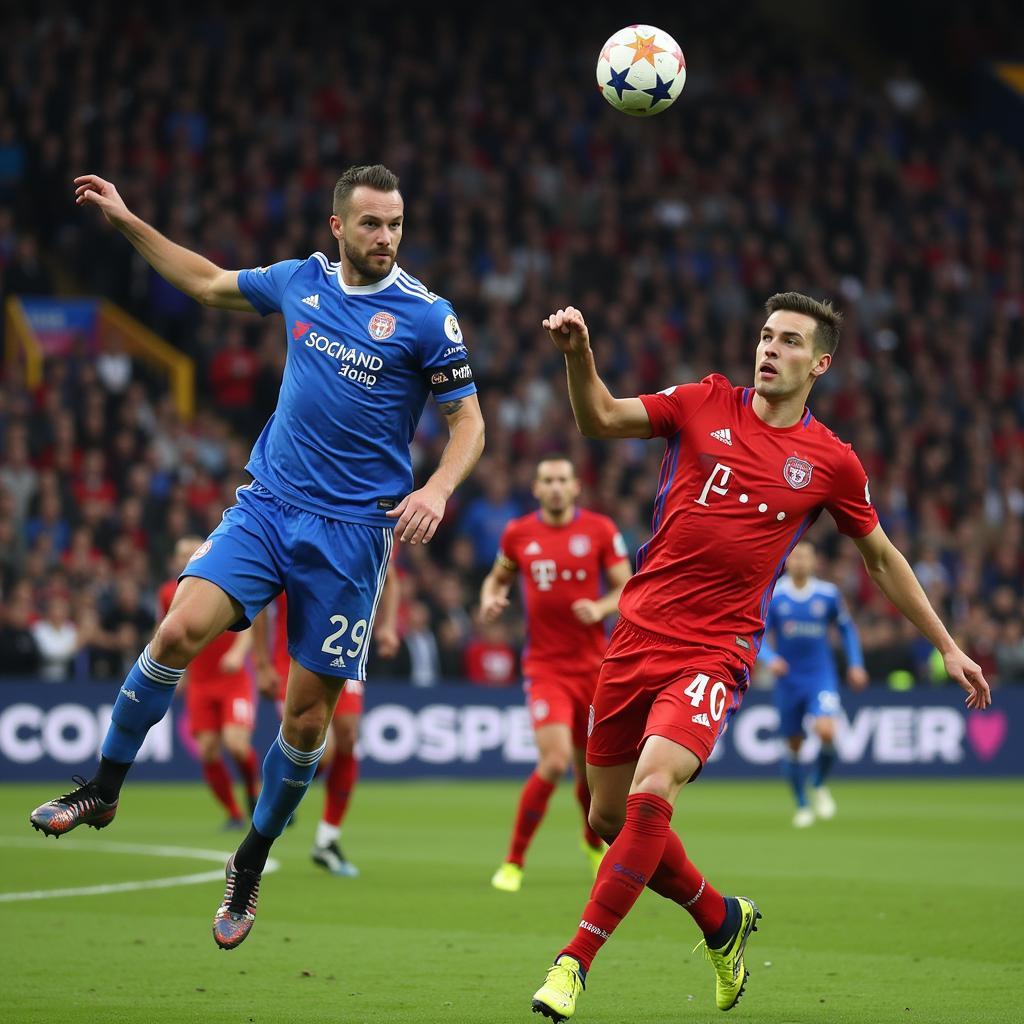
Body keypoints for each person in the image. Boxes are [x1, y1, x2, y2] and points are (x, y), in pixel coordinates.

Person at [29, 164, 485, 953]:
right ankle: (103, 789)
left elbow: (469, 423)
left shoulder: (427, 318)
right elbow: (205, 281)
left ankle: (250, 860)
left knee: (306, 718)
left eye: (396, 224)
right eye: (372, 224)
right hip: (269, 506)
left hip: (352, 537)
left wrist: (439, 489)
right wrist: (129, 221)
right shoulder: (297, 282)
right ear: (337, 227)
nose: (386, 238)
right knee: (177, 629)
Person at [529, 294, 990, 1020]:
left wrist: (947, 643)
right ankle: (721, 919)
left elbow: (880, 558)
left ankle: (572, 963)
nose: (770, 350)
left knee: (654, 793)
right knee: (610, 818)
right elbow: (602, 418)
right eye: (766, 336)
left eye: (789, 342)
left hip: (716, 650)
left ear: (821, 362)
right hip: (635, 637)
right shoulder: (703, 400)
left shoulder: (831, 461)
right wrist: (577, 356)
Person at [481, 456, 631, 892]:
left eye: (563, 479)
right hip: (545, 667)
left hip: (595, 668)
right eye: (547, 480)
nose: (556, 487)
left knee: (590, 776)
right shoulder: (519, 533)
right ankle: (513, 861)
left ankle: (591, 842)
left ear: (575, 487)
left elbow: (626, 587)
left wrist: (600, 608)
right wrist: (491, 599)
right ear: (536, 488)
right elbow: (496, 580)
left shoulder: (600, 530)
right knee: (553, 760)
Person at [251, 563, 400, 877]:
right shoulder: (294, 526)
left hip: (344, 646)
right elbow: (262, 602)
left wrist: (387, 626)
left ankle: (327, 841)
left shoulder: (366, 523)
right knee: (320, 748)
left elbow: (389, 577)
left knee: (348, 736)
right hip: (293, 656)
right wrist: (262, 664)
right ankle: (271, 808)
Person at [759, 540, 869, 827]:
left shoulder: (828, 594)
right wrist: (770, 659)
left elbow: (847, 630)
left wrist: (856, 664)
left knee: (827, 731)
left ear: (814, 562)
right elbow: (757, 634)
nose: (800, 562)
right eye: (795, 557)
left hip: (821, 676)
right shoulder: (775, 596)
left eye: (805, 557)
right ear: (787, 561)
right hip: (788, 680)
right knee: (793, 744)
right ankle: (802, 804)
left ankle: (818, 781)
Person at [159, 537, 259, 829]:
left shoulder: (230, 581)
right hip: (201, 683)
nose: (185, 558)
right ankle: (233, 813)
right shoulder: (168, 592)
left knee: (236, 745)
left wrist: (239, 653)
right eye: (181, 554)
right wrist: (174, 671)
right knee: (207, 751)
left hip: (232, 680)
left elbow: (254, 623)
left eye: (191, 552)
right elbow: (166, 630)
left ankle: (254, 793)